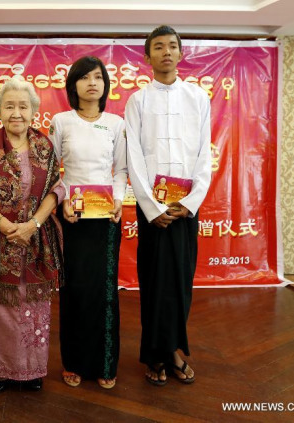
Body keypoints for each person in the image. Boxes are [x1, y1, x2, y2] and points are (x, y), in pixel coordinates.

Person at [124, 25, 212, 386]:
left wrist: (190, 204)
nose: (165, 52)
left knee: (180, 282)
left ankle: (174, 348)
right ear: (147, 57)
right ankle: (156, 355)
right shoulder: (138, 101)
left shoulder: (198, 98)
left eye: (171, 46)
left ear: (180, 53)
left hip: (184, 211)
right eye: (157, 47)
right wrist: (152, 207)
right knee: (154, 283)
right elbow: (134, 158)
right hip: (154, 213)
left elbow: (204, 156)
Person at [0, 76, 65, 394]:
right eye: (9, 106)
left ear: (33, 111)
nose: (16, 113)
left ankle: (33, 371)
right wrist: (6, 227)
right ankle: (5, 372)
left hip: (36, 242)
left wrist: (32, 225)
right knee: (1, 309)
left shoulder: (43, 146)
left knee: (35, 308)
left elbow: (55, 190)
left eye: (23, 106)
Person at [49, 56, 127, 389]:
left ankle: (106, 363)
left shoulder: (116, 123)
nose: (92, 82)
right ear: (74, 85)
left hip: (106, 218)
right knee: (74, 291)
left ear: (105, 85)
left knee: (105, 291)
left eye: (98, 77)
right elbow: (52, 171)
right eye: (84, 77)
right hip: (72, 217)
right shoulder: (61, 121)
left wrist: (120, 200)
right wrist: (63, 201)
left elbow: (121, 170)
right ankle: (75, 362)